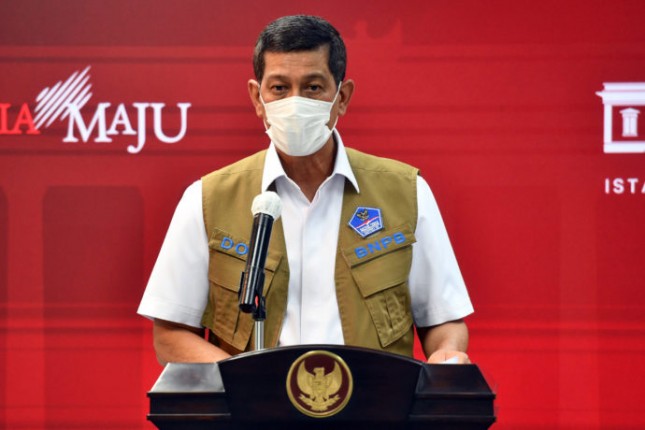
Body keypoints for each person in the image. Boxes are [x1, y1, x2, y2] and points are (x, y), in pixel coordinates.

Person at [138, 15, 473, 366]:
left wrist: (448, 355)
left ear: (341, 97)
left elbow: (443, 318)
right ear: (257, 97)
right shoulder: (207, 199)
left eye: (313, 88)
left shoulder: (407, 192)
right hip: (254, 415)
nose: (295, 103)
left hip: (374, 410)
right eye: (279, 89)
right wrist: (245, 385)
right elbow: (171, 336)